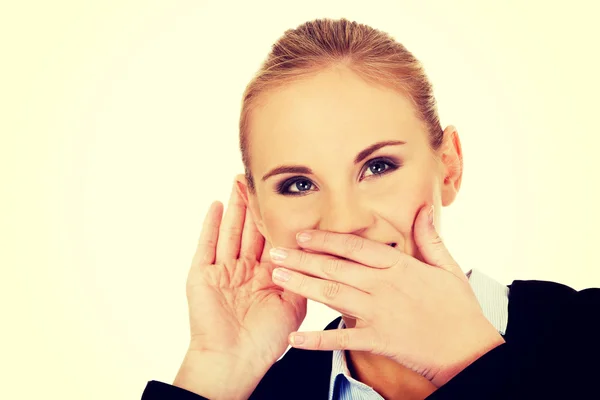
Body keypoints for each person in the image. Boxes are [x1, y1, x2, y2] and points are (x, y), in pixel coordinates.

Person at [141, 18, 599, 399]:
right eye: (298, 184)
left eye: (378, 166)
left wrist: (470, 362)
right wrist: (217, 366)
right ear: (258, 213)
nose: (344, 222)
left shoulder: (584, 333)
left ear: (449, 167)